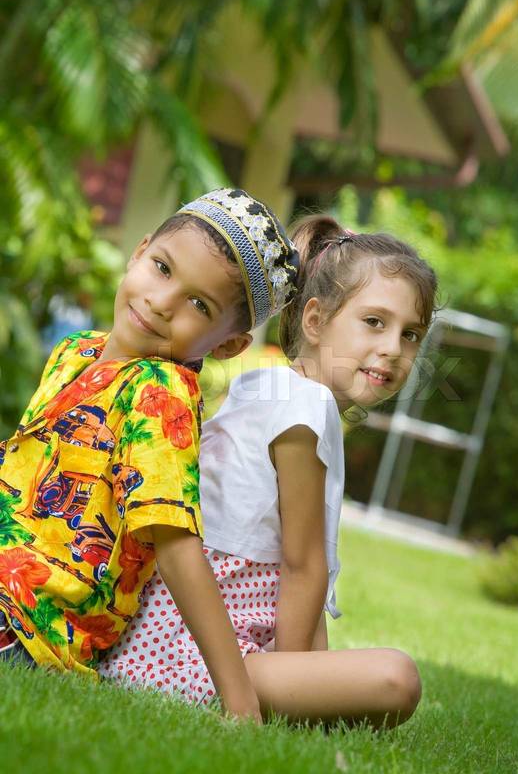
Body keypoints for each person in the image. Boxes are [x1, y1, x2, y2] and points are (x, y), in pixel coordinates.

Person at [99, 215, 438, 728]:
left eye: (410, 334)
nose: (393, 348)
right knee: (397, 679)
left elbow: (301, 575)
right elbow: (303, 568)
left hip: (168, 636)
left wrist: (319, 675)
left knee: (367, 684)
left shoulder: (267, 386)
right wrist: (306, 687)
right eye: (374, 322)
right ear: (315, 321)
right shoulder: (306, 406)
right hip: (194, 654)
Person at [0, 187, 299, 722]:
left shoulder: (160, 393)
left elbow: (175, 542)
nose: (162, 302)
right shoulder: (75, 351)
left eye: (199, 305)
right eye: (162, 268)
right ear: (138, 252)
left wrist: (240, 701)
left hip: (29, 623)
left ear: (229, 346)